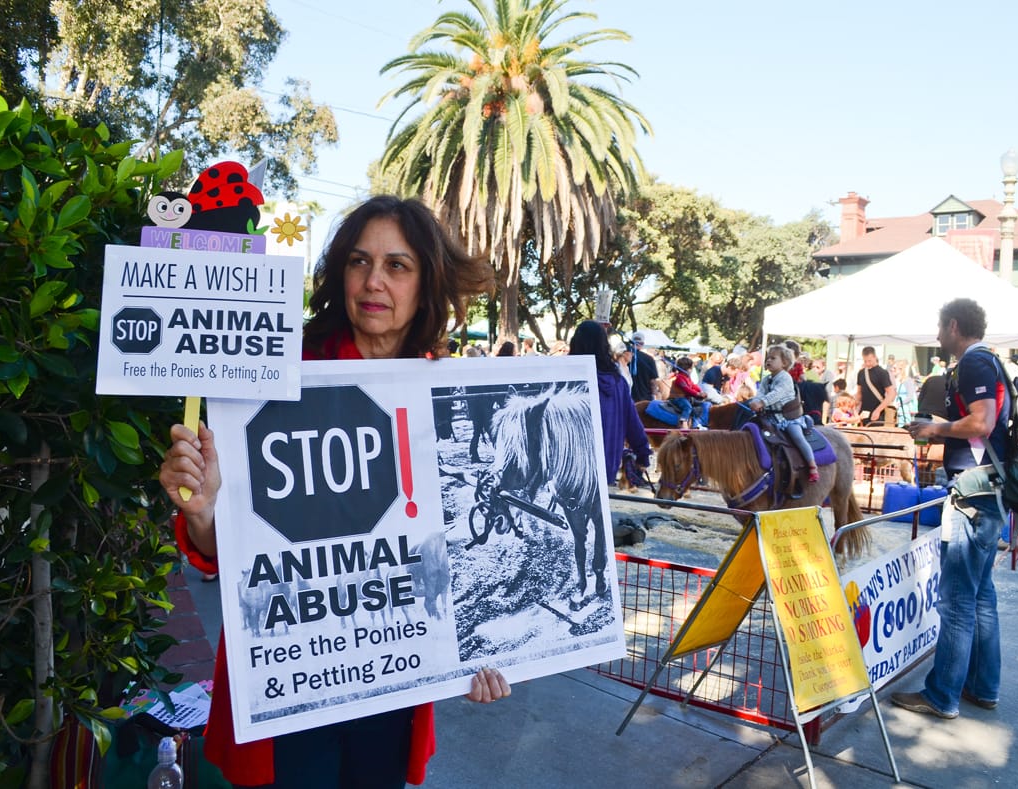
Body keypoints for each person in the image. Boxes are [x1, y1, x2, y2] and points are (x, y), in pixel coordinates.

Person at [158, 196, 511, 788]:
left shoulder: (445, 394)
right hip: (289, 682)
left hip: (391, 687)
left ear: (426, 284)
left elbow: (461, 551)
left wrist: (486, 644)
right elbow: (226, 547)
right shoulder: (272, 371)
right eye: (358, 261)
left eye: (397, 265)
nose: (374, 281)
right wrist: (204, 512)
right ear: (339, 274)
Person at [897, 297, 1010, 719]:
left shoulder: (975, 364)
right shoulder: (989, 362)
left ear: (955, 326)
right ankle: (984, 687)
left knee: (958, 600)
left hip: (974, 493)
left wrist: (934, 428)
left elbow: (982, 423)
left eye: (941, 328)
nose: (938, 335)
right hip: (988, 490)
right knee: (980, 598)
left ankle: (942, 695)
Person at [569, 320, 652, 483]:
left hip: (568, 467)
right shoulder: (617, 383)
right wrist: (643, 455)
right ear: (604, 345)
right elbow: (632, 423)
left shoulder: (564, 380)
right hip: (605, 466)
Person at [746, 344, 819, 483]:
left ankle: (812, 465)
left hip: (787, 418)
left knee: (796, 436)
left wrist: (762, 402)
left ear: (784, 363)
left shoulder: (785, 378)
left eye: (773, 358)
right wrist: (755, 401)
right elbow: (760, 392)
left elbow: (777, 393)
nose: (768, 360)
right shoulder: (766, 379)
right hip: (770, 417)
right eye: (768, 357)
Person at [855, 345, 896, 426]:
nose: (867, 363)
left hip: (878, 413)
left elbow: (891, 393)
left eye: (869, 360)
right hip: (863, 412)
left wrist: (878, 410)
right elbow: (859, 392)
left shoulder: (882, 373)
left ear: (875, 357)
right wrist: (854, 406)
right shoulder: (861, 373)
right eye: (865, 361)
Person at [667, 356, 704, 427]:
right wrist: (697, 394)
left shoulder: (687, 377)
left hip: (686, 398)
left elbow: (693, 385)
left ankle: (696, 422)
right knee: (687, 407)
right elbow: (686, 389)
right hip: (678, 398)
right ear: (687, 369)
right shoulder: (679, 378)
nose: (692, 370)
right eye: (691, 369)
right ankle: (683, 422)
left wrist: (700, 391)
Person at [628, 331, 661, 402]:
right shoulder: (649, 359)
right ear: (642, 344)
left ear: (631, 342)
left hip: (627, 397)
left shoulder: (624, 357)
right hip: (645, 399)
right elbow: (653, 381)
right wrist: (654, 396)